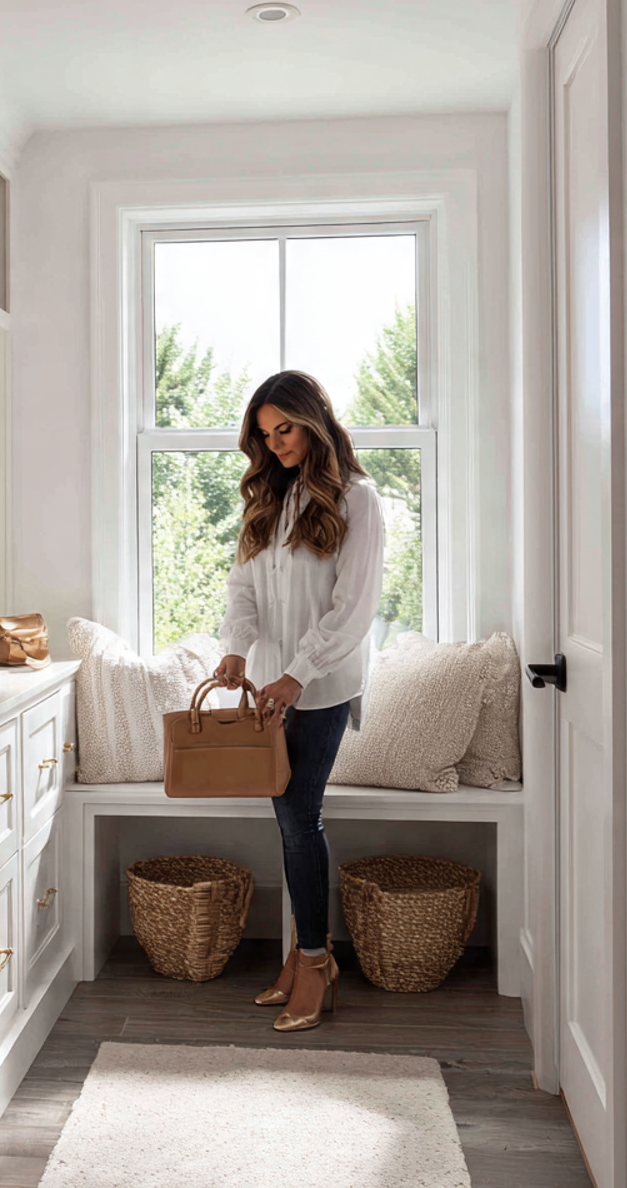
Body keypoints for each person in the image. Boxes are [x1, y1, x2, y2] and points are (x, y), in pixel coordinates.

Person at [214, 370, 385, 1032]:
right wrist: (236, 648)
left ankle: (315, 961)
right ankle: (303, 954)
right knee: (287, 817)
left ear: (315, 421)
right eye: (265, 433)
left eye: (285, 428)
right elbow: (243, 588)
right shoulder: (269, 498)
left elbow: (354, 609)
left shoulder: (357, 500)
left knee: (297, 815)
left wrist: (298, 672)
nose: (276, 443)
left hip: (319, 689)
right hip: (270, 688)